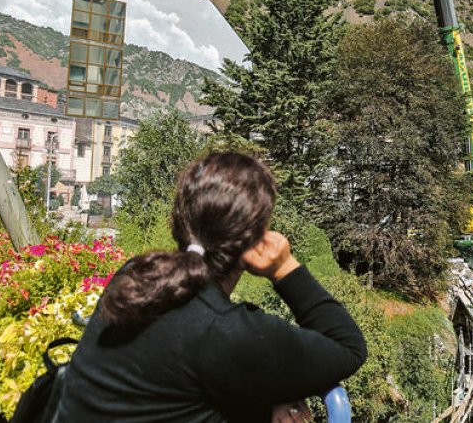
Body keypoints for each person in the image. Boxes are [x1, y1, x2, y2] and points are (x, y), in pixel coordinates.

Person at [55, 152, 367, 422]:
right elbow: (348, 347)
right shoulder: (226, 331)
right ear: (255, 241)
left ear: (180, 220)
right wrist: (285, 268)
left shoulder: (135, 278)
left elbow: (169, 389)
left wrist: (263, 403)